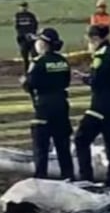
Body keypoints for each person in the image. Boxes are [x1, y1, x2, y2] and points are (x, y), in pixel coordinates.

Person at [73, 24, 110, 188]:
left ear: (95, 39)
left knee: (81, 139)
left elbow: (97, 80)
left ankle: (86, 178)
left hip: (101, 103)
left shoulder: (100, 55)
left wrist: (83, 78)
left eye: (89, 41)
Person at [22, 28, 74, 180]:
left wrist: (24, 83)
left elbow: (30, 84)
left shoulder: (38, 62)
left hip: (44, 106)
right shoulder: (62, 61)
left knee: (41, 146)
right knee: (63, 145)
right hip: (61, 103)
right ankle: (68, 176)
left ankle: (41, 178)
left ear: (44, 43)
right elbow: (66, 81)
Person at [14, 1, 39, 69]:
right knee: (25, 56)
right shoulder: (17, 15)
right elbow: (17, 27)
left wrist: (32, 34)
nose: (22, 8)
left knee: (34, 55)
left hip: (31, 38)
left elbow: (35, 26)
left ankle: (35, 69)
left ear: (27, 7)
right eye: (21, 6)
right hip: (22, 38)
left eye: (24, 6)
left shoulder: (31, 15)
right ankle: (27, 71)